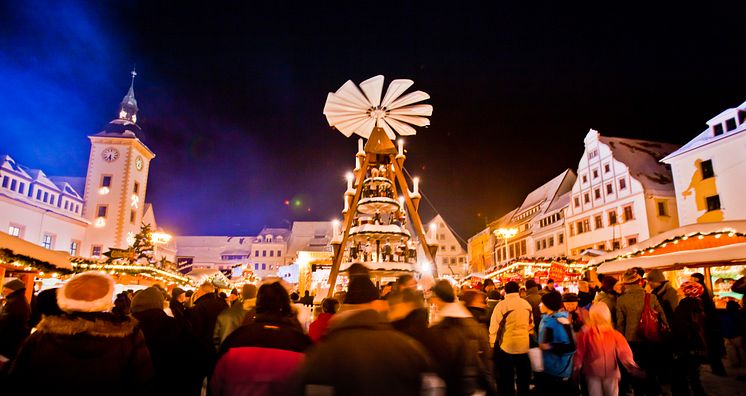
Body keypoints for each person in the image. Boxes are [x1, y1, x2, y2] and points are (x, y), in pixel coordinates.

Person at [7, 272, 153, 395]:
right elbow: (142, 380)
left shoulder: (42, 336)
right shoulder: (128, 335)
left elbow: (17, 379)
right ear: (107, 299)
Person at [297, 270, 435, 395]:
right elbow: (431, 387)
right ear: (377, 304)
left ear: (343, 307)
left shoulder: (324, 352)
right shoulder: (407, 347)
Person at [211, 282, 312, 396]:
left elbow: (217, 385)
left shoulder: (236, 339)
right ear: (287, 307)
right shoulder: (301, 344)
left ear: (257, 305)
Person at [422, 280, 496, 396]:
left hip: (455, 388)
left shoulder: (439, 328)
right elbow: (486, 358)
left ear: (438, 298)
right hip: (474, 388)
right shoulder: (472, 322)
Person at [131, 287, 208, 395]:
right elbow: (198, 357)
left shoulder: (127, 331)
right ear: (160, 304)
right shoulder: (177, 326)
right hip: (174, 386)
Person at [616, 268, 668, 396]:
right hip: (651, 338)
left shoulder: (621, 300)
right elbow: (663, 318)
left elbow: (620, 324)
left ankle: (639, 392)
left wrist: (620, 343)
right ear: (640, 282)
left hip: (631, 341)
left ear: (626, 285)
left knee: (636, 370)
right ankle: (654, 391)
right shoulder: (652, 297)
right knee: (651, 368)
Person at [573, 303, 640, 396]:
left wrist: (631, 365)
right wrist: (576, 366)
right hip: (595, 374)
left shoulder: (613, 334)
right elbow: (580, 353)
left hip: (606, 374)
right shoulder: (586, 334)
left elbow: (624, 352)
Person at [489, 281, 533, 396]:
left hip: (507, 346)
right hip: (524, 345)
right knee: (523, 377)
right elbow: (531, 324)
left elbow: (494, 326)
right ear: (518, 291)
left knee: (506, 378)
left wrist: (492, 343)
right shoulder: (526, 304)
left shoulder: (502, 305)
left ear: (506, 291)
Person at [670, 281, 708, 396]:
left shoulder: (683, 307)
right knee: (694, 376)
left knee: (681, 376)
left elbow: (680, 329)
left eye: (681, 290)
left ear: (687, 292)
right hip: (698, 345)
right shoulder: (700, 306)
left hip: (685, 347)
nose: (678, 292)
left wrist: (676, 348)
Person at [537, 291, 576, 395]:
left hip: (558, 371)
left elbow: (571, 347)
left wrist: (549, 346)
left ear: (547, 305)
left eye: (542, 303)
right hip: (548, 368)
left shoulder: (559, 321)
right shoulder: (547, 320)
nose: (539, 305)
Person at [691, 272, 727, 376]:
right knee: (712, 345)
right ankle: (717, 368)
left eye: (692, 278)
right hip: (710, 321)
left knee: (710, 345)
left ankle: (717, 369)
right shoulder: (705, 289)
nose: (690, 280)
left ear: (697, 279)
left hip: (706, 322)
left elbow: (701, 307)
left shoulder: (699, 290)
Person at [213, 284, 258, 349]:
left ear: (242, 295)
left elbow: (216, 338)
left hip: (229, 352)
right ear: (255, 294)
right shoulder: (261, 314)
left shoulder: (227, 313)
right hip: (252, 354)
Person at [190, 282, 229, 353]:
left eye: (198, 291)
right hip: (221, 347)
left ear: (202, 292)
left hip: (204, 349)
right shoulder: (223, 304)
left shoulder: (200, 306)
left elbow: (196, 331)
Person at [0, 279, 31, 362]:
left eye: (4, 289)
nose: (3, 291)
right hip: (14, 341)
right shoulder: (20, 300)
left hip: (8, 342)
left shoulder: (14, 302)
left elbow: (5, 322)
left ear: (11, 290)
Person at [722, 300, 746, 368]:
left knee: (731, 351)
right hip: (737, 335)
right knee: (742, 351)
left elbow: (723, 326)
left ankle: (734, 364)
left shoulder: (724, 315)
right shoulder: (739, 314)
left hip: (727, 336)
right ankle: (744, 364)